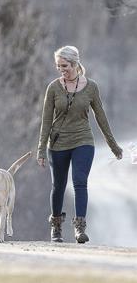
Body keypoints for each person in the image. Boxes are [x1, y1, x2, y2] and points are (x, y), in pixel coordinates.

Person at [37, 45, 122, 244]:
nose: (61, 70)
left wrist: (113, 145)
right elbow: (46, 120)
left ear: (75, 64)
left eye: (64, 66)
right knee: (58, 186)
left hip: (83, 140)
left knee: (80, 181)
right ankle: (56, 228)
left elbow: (101, 117)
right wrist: (41, 148)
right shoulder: (53, 88)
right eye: (58, 66)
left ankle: (79, 228)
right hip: (58, 143)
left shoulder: (91, 87)